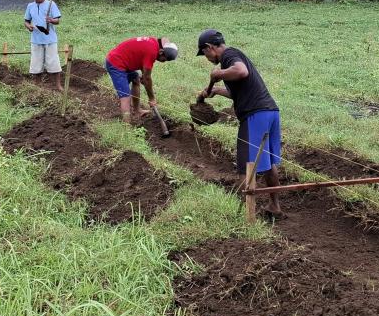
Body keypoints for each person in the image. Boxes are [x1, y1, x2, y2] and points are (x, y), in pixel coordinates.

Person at [196, 29, 281, 214]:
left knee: (246, 167)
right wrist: (217, 90)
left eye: (204, 53)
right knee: (268, 164)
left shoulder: (228, 55)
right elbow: (237, 92)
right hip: (271, 112)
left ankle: (246, 216)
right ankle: (274, 206)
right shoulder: (233, 57)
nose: (206, 58)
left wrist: (217, 74)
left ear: (209, 47)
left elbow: (241, 71)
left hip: (254, 115)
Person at [105, 37, 179, 124]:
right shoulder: (152, 52)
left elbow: (142, 61)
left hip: (124, 60)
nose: (163, 62)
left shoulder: (154, 44)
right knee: (125, 96)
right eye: (164, 59)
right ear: (161, 52)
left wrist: (144, 76)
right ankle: (127, 125)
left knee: (136, 79)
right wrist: (151, 98)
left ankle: (137, 111)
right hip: (116, 63)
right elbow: (147, 79)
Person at [24, 0, 63, 90]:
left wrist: (51, 20)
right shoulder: (30, 6)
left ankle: (58, 86)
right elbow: (26, 21)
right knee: (36, 64)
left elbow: (57, 20)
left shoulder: (51, 4)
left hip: (50, 39)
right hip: (36, 39)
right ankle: (37, 86)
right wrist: (29, 27)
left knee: (53, 62)